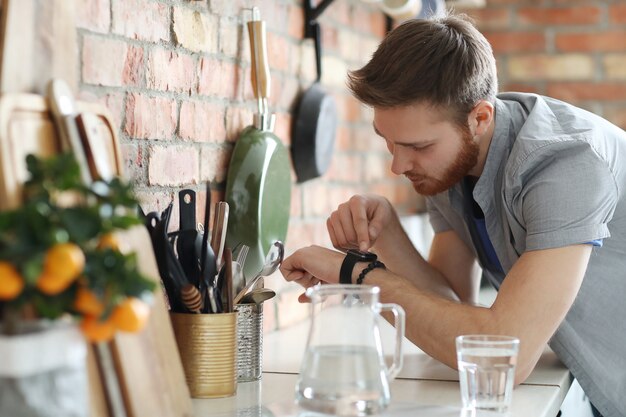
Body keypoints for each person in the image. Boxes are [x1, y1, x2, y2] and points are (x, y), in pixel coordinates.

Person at [279, 12, 626, 417]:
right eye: (389, 142)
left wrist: (355, 274)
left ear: (480, 118)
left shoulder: (565, 163)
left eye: (418, 146)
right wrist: (387, 234)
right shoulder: (452, 164)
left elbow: (503, 351)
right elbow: (451, 307)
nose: (398, 166)